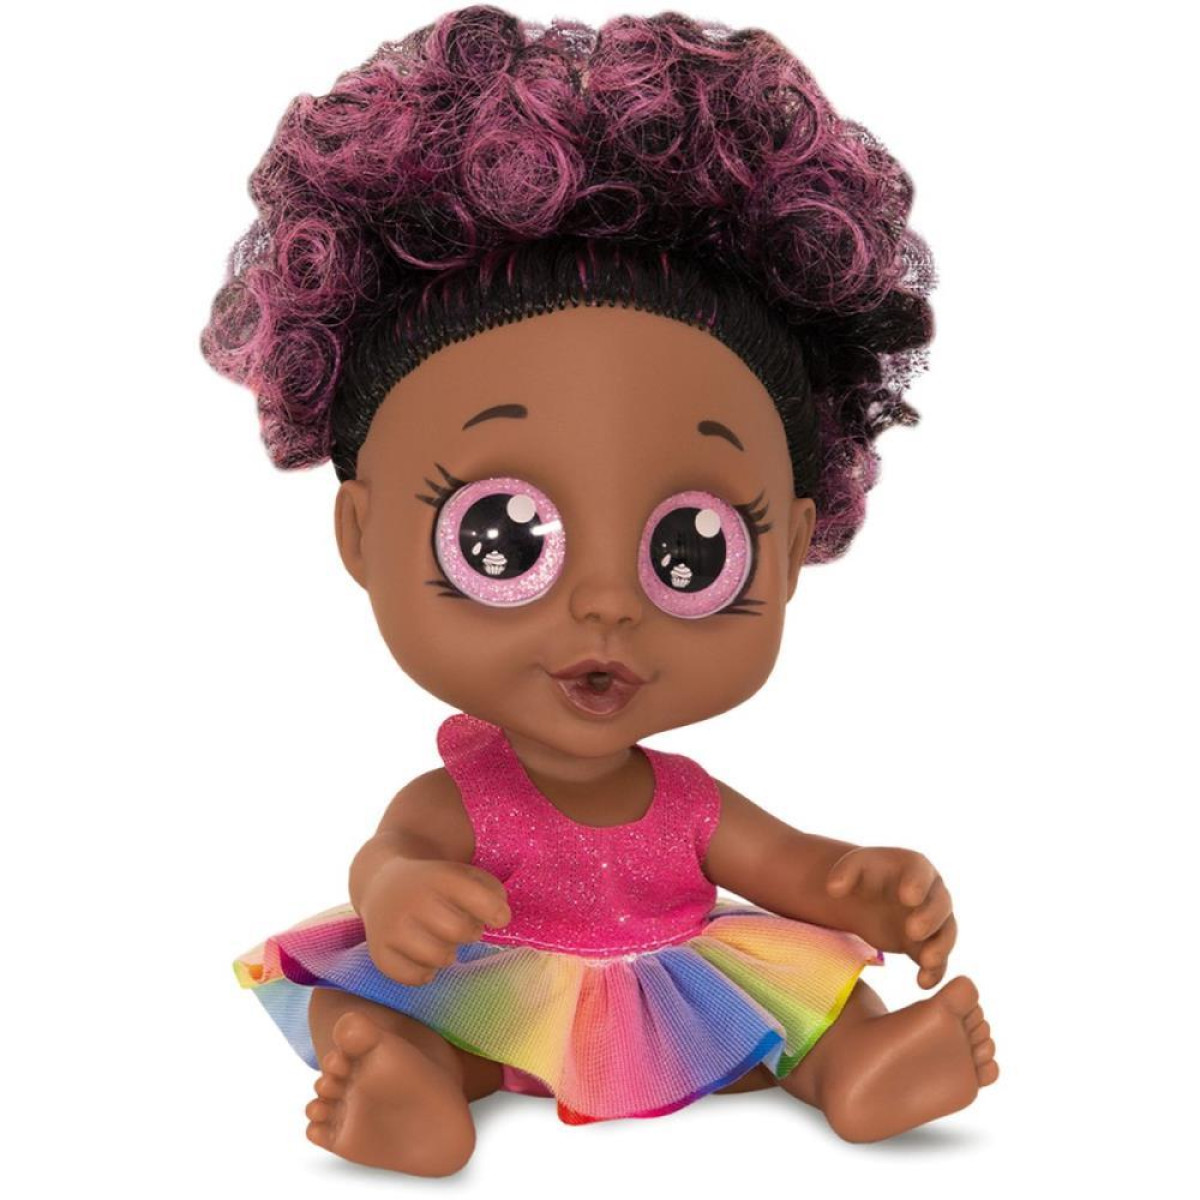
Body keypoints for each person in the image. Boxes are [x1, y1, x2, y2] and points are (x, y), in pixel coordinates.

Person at [202, 5, 997, 1177]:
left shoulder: (689, 802)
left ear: (790, 550)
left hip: (678, 990)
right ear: (363, 532)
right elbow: (387, 859)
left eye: (691, 551)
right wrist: (406, 892)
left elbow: (796, 872)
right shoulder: (463, 801)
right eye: (504, 538)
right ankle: (410, 1078)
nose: (608, 605)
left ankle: (862, 1066)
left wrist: (860, 884)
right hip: (496, 987)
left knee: (808, 996)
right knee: (365, 1002)